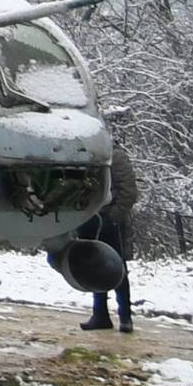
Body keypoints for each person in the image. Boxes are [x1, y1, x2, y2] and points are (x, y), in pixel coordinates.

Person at [86, 143, 139, 335]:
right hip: (92, 218)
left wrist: (114, 217)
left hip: (110, 220)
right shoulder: (90, 154)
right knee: (95, 266)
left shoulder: (116, 156)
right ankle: (100, 314)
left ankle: (125, 317)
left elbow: (129, 191)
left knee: (117, 268)